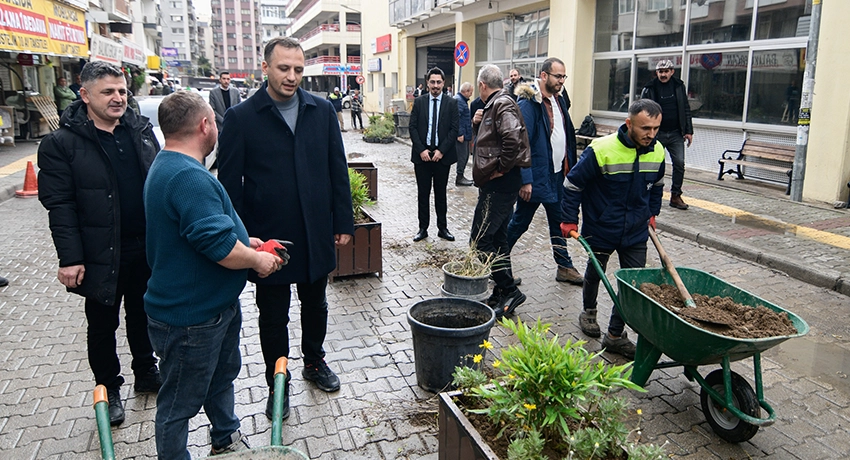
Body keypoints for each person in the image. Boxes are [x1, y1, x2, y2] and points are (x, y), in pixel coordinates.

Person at [217, 36, 354, 421]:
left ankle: (314, 361)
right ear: (265, 68)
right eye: (284, 68)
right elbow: (229, 187)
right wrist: (241, 238)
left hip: (315, 232)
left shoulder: (322, 110)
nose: (292, 76)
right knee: (273, 316)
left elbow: (336, 169)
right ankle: (277, 382)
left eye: (298, 69)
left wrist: (342, 220)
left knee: (316, 304)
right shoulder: (242, 118)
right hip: (268, 240)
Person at [144, 91, 282, 458]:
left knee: (221, 377)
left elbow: (201, 231)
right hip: (192, 319)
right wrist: (256, 259)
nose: (217, 126)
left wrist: (244, 238)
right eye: (214, 121)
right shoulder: (189, 177)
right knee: (179, 404)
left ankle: (225, 434)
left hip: (210, 309)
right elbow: (218, 247)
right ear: (205, 125)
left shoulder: (168, 164)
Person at [37, 60, 162, 426]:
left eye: (122, 91)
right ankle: (108, 390)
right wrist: (70, 258)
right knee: (102, 325)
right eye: (108, 91)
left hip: (145, 247)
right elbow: (60, 206)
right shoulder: (62, 144)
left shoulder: (139, 130)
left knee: (143, 315)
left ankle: (147, 372)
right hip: (99, 253)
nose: (118, 98)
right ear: (85, 94)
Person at [560, 99, 666, 359]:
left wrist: (652, 213)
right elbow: (573, 184)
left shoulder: (658, 151)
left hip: (636, 230)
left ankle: (615, 335)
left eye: (655, 129)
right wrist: (569, 220)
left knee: (631, 283)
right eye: (645, 128)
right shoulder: (601, 149)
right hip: (602, 224)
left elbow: (658, 185)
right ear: (629, 123)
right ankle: (589, 312)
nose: (650, 135)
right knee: (596, 272)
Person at [508, 57, 584, 285]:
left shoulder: (559, 100)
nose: (561, 81)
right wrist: (525, 180)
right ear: (544, 76)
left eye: (563, 77)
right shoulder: (529, 104)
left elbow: (566, 136)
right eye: (557, 76)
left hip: (557, 175)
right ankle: (496, 262)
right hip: (537, 177)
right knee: (520, 222)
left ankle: (564, 266)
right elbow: (522, 144)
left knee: (558, 221)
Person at [470, 64, 531, 318]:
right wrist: (477, 124)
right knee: (497, 239)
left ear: (483, 85)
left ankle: (508, 289)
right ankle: (502, 291)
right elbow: (494, 139)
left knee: (480, 239)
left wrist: (502, 169)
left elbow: (512, 139)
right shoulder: (496, 104)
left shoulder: (502, 103)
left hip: (499, 185)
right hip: (500, 185)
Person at [408, 67, 459, 242]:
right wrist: (421, 149)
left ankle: (442, 228)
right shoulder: (419, 102)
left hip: (441, 157)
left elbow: (454, 129)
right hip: (422, 156)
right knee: (423, 193)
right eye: (432, 82)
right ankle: (423, 228)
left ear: (444, 83)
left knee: (440, 193)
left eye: (438, 82)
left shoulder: (451, 103)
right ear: (427, 83)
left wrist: (441, 151)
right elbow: (412, 127)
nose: (435, 85)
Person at [640, 60, 693, 210]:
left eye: (666, 71)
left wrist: (688, 130)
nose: (663, 74)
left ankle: (676, 195)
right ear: (656, 73)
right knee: (653, 164)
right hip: (656, 133)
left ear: (672, 72)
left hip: (676, 133)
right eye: (660, 72)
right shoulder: (650, 88)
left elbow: (686, 109)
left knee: (679, 164)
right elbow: (642, 111)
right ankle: (647, 194)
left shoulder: (678, 86)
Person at [454, 82, 474, 186]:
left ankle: (461, 176)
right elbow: (457, 118)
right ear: (465, 91)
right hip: (462, 135)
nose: (471, 94)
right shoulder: (459, 101)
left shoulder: (461, 100)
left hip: (464, 133)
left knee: (465, 155)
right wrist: (460, 133)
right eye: (470, 92)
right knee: (463, 156)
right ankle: (460, 177)